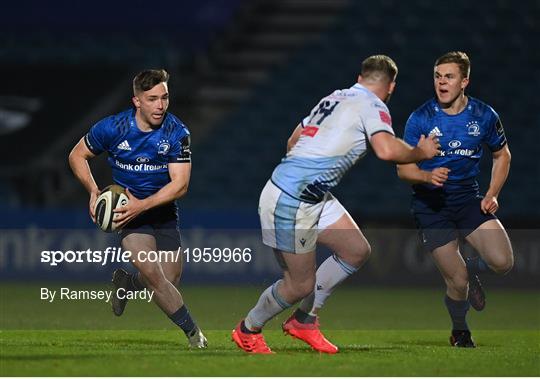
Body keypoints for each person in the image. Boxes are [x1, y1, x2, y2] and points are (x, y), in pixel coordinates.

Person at [231, 55, 441, 354]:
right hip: (292, 200)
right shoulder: (373, 105)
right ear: (391, 86)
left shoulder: (336, 96)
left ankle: (304, 321)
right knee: (299, 284)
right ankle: (248, 329)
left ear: (360, 77)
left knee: (356, 250)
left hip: (311, 193)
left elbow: (294, 140)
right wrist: (421, 151)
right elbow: (384, 149)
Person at [68, 69, 207, 349]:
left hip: (161, 210)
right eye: (153, 99)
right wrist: (94, 191)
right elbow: (77, 155)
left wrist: (142, 205)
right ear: (137, 101)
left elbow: (180, 186)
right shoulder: (112, 128)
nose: (160, 105)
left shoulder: (176, 132)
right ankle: (195, 335)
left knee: (170, 280)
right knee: (156, 278)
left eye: (165, 97)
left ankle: (127, 283)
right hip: (127, 215)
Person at [397, 51, 514, 348]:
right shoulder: (420, 118)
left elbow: (502, 155)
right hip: (431, 207)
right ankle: (460, 330)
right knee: (457, 281)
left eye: (448, 76)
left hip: (467, 200)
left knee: (503, 262)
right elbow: (403, 168)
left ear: (465, 81)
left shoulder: (484, 116)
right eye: (437, 76)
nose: (441, 82)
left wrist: (492, 194)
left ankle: (472, 266)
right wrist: (426, 176)